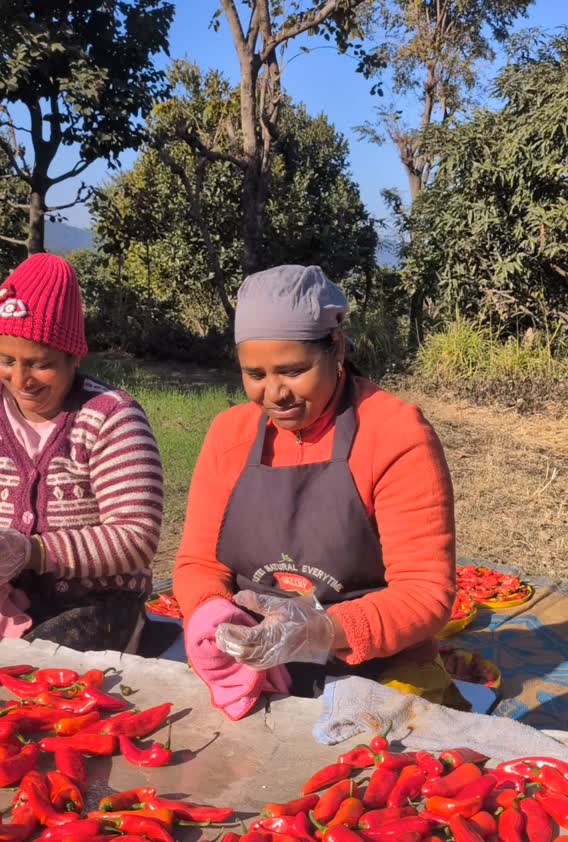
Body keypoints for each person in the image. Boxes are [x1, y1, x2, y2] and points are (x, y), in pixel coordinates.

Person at [175, 264, 461, 719]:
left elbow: (425, 594)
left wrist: (322, 631)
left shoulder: (394, 433)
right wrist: (214, 616)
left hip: (379, 672)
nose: (274, 394)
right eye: (254, 373)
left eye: (293, 370)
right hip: (255, 671)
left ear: (337, 349)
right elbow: (199, 562)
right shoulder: (228, 435)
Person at [0, 253, 163, 651]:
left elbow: (137, 537)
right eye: (6, 360)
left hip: (95, 603)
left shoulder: (110, 416)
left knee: (33, 675)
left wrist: (32, 552)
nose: (21, 380)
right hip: (9, 598)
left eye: (41, 364)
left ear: (74, 356)